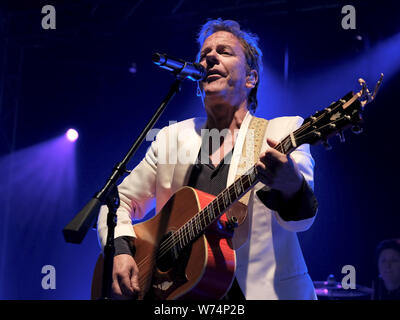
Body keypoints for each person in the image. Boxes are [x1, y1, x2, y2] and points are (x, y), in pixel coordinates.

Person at [97, 18, 318, 300]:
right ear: (198, 83)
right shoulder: (172, 137)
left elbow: (300, 222)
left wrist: (291, 185)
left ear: (251, 78)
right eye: (204, 55)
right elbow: (117, 201)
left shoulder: (283, 132)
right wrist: (120, 250)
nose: (210, 57)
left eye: (225, 52)